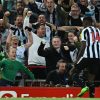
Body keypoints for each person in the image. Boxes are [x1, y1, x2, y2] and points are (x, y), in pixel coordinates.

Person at [75, 16, 100, 97]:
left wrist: (77, 59)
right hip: (97, 58)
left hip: (87, 56)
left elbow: (83, 47)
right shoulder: (98, 31)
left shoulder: (85, 30)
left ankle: (83, 86)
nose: (82, 23)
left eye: (83, 22)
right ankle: (92, 96)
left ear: (86, 22)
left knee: (72, 72)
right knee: (91, 80)